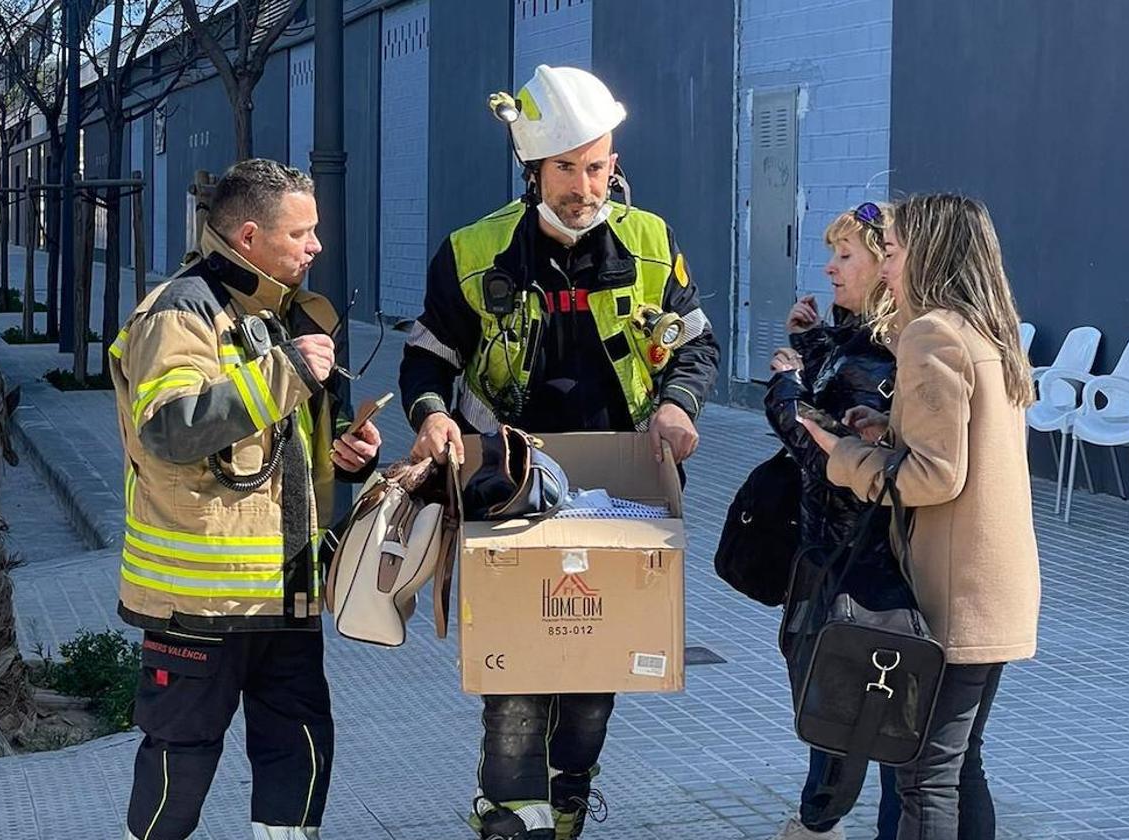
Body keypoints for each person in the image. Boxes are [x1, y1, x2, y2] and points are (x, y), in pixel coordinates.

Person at [399, 65, 720, 840]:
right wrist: (433, 414)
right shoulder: (473, 255)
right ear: (534, 170)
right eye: (568, 168)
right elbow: (427, 356)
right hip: (507, 483)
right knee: (516, 670)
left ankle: (568, 798)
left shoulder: (650, 243)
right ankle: (510, 813)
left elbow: (694, 346)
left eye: (598, 164)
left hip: (618, 481)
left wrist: (678, 404)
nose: (586, 184)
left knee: (593, 671)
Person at [109, 159, 382, 840]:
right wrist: (285, 371)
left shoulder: (293, 311)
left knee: (299, 749)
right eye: (302, 233)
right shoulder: (179, 312)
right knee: (183, 757)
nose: (316, 246)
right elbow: (169, 427)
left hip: (287, 591)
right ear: (252, 235)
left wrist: (351, 456)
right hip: (197, 600)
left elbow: (291, 446)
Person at [800, 194, 1041, 840]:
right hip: (995, 589)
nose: (886, 267)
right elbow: (965, 447)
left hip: (954, 594)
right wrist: (886, 428)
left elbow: (936, 476)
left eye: (896, 250)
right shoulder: (987, 330)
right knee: (958, 767)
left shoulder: (931, 333)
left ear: (930, 252)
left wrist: (843, 454)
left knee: (924, 776)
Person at [763, 202, 902, 840]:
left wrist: (786, 387)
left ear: (884, 266)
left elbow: (816, 441)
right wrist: (814, 339)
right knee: (829, 692)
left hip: (851, 557)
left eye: (846, 256)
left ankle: (819, 822)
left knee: (838, 701)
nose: (830, 266)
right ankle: (824, 816)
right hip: (828, 551)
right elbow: (843, 384)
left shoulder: (888, 352)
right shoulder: (857, 338)